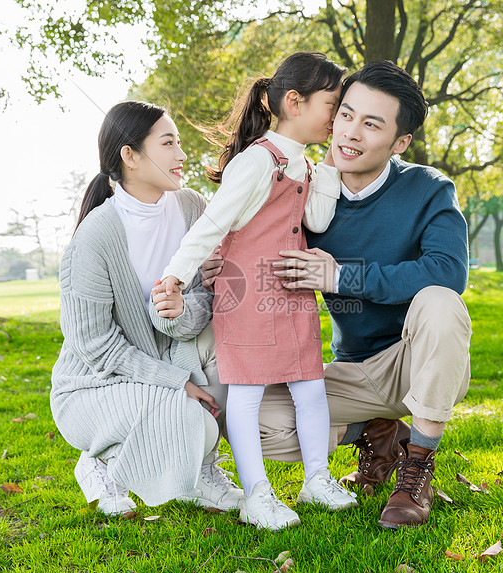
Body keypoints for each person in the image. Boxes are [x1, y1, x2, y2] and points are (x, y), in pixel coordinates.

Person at [261, 60, 472, 529]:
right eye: (346, 114)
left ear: (400, 142)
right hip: (351, 371)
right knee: (246, 416)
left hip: (416, 361)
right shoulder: (304, 190)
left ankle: (416, 466)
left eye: (371, 124)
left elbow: (449, 272)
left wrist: (343, 278)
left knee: (441, 302)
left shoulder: (429, 188)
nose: (350, 133)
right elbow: (268, 266)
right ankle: (375, 433)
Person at [157, 52, 358, 530]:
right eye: (332, 104)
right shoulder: (256, 161)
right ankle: (257, 495)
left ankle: (316, 480)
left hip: (292, 297)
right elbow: (213, 224)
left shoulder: (306, 167)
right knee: (245, 397)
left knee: (310, 388)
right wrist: (175, 275)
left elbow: (318, 220)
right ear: (294, 102)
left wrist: (327, 168)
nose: (337, 117)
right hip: (246, 298)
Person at [50, 101, 245, 517]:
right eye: (169, 143)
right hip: (95, 385)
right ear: (131, 156)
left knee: (232, 355)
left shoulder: (191, 207)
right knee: (199, 421)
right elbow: (97, 348)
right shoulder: (94, 239)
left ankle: (197, 472)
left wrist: (179, 310)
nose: (182, 155)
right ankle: (104, 462)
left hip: (172, 355)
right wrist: (176, 382)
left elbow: (209, 298)